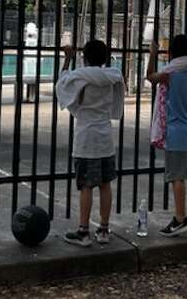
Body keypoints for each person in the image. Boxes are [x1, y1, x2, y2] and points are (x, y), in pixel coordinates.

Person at [55, 39, 125, 247]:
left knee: (86, 185)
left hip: (85, 138)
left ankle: (83, 231)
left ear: (84, 58)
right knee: (105, 184)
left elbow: (62, 85)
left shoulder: (80, 77)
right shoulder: (112, 77)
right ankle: (103, 229)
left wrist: (67, 58)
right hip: (105, 138)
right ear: (105, 58)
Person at [146, 34, 187, 237]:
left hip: (177, 130)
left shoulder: (169, 75)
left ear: (173, 52)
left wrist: (153, 54)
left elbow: (150, 77)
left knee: (178, 177)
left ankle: (180, 218)